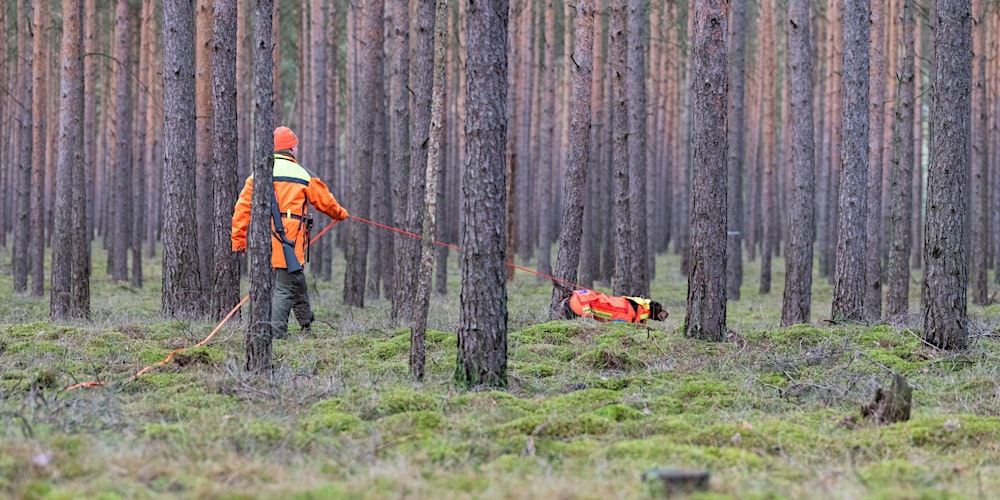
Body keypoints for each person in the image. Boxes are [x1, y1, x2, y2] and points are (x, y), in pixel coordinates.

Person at [231, 126, 349, 338]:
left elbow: (242, 209)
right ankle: (276, 336)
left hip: (263, 241)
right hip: (290, 241)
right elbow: (327, 202)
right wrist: (341, 214)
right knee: (284, 288)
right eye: (296, 147)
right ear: (292, 149)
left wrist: (239, 241)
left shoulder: (258, 173)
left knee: (295, 279)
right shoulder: (302, 174)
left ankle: (306, 323)